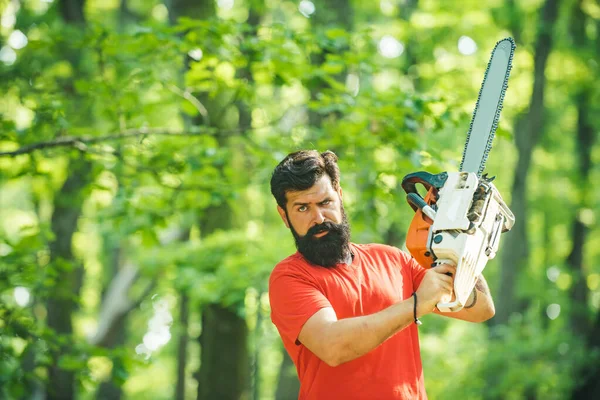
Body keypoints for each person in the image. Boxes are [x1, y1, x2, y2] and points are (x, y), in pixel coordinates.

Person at [268, 150, 495, 399]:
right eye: (302, 208)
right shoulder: (289, 277)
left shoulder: (393, 260)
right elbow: (333, 345)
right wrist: (416, 305)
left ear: (340, 197)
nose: (318, 217)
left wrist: (459, 243)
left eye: (325, 203)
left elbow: (481, 309)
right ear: (284, 216)